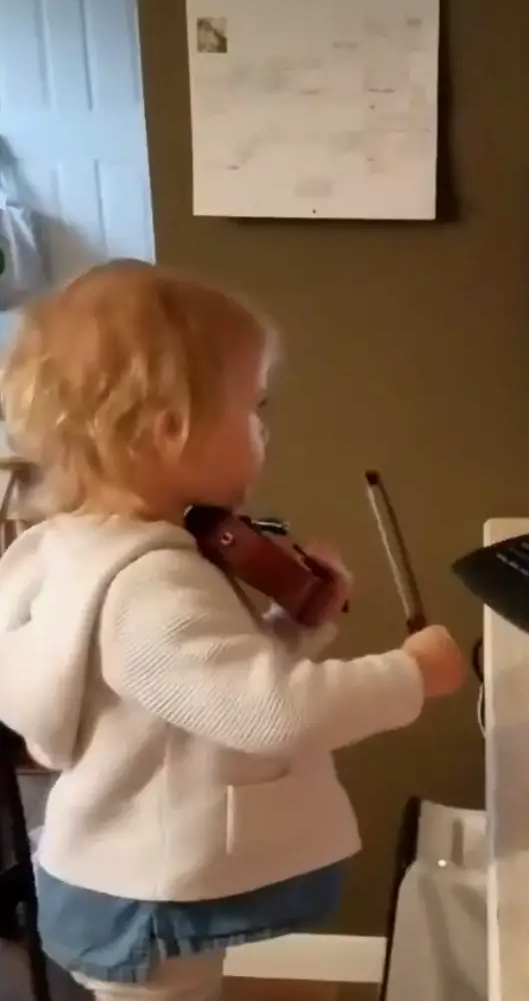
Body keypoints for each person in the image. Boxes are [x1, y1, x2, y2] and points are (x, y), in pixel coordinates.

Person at [0, 261, 467, 1001]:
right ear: (169, 431)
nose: (264, 429)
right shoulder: (146, 586)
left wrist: (294, 623)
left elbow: (205, 691)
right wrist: (412, 673)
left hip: (134, 873)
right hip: (146, 895)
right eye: (254, 408)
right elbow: (274, 713)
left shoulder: (87, 545)